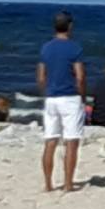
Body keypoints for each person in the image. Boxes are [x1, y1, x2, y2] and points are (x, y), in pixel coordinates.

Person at [37, 11, 85, 192]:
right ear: (70, 26)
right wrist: (82, 96)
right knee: (71, 142)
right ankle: (68, 183)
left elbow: (41, 77)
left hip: (51, 98)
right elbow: (80, 77)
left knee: (50, 141)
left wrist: (46, 93)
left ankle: (48, 184)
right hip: (69, 97)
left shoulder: (46, 48)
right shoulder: (74, 48)